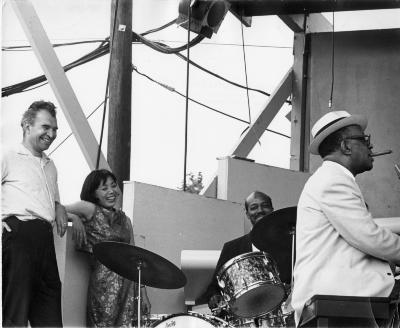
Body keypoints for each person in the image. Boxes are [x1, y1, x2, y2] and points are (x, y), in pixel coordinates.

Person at [291, 110, 400, 326]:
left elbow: (356, 247)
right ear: (346, 146)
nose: (371, 147)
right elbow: (369, 237)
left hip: (344, 297)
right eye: (364, 140)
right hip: (339, 300)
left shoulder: (332, 179)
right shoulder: (333, 180)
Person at [2, 100, 68, 327]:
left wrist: (60, 206)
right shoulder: (8, 155)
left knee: (50, 314)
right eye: (46, 127)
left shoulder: (51, 165)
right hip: (18, 235)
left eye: (55, 129)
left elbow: (51, 197)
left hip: (45, 241)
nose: (51, 134)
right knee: (16, 315)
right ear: (27, 125)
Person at [66, 169, 151, 327]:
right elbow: (56, 209)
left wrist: (143, 294)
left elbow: (135, 259)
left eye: (113, 186)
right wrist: (74, 217)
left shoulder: (126, 220)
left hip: (129, 287)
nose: (111, 191)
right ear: (93, 193)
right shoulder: (88, 208)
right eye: (104, 188)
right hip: (103, 287)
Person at [203, 191, 274, 312]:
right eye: (254, 207)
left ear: (272, 210)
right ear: (247, 214)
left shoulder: (288, 243)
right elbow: (214, 287)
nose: (260, 210)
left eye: (265, 205)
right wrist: (214, 297)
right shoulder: (232, 248)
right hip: (246, 316)